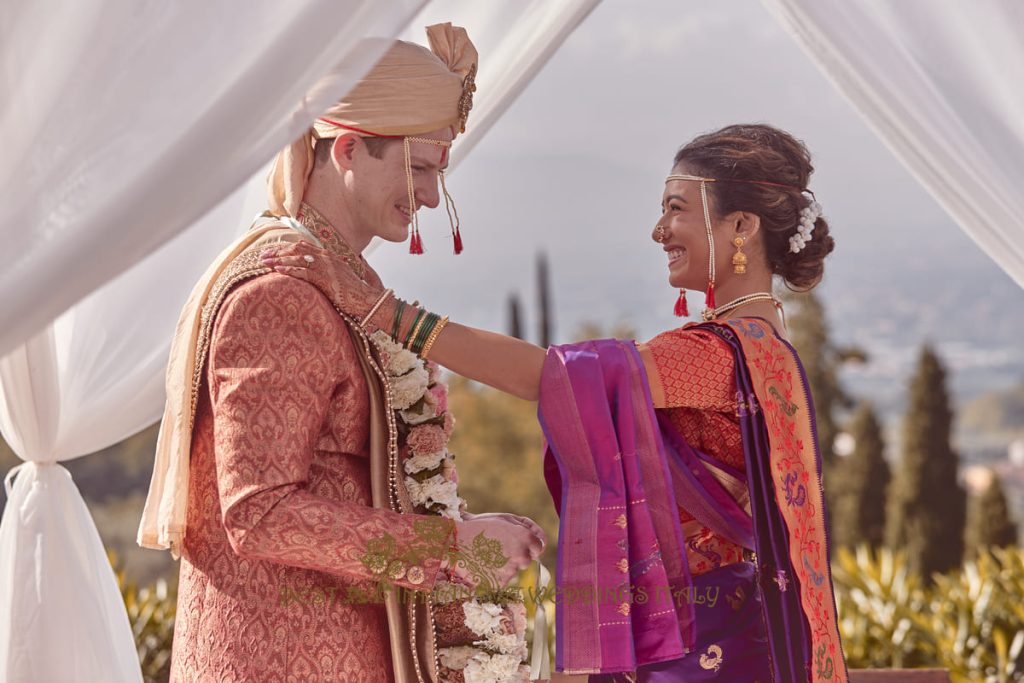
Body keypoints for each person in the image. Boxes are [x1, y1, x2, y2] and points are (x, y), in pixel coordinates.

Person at [263, 123, 851, 682]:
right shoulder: (765, 351)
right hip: (729, 629)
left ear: (742, 225)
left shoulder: (715, 356)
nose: (658, 230)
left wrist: (385, 314)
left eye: (676, 208)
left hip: (703, 645)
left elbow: (552, 378)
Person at [137, 24, 544, 683]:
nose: (432, 198)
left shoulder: (340, 284)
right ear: (348, 149)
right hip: (281, 660)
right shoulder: (279, 296)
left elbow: (352, 479)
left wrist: (461, 529)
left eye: (438, 173)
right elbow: (259, 512)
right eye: (417, 169)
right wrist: (452, 547)